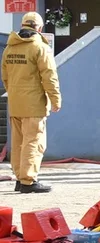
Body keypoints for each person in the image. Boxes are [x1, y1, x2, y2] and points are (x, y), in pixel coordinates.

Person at [1, 12, 60, 193]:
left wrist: (14, 93)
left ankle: (20, 178)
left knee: (18, 142)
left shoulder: (10, 48)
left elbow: (5, 77)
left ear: (23, 25)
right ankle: (28, 181)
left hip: (15, 103)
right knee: (34, 141)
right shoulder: (40, 47)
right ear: (39, 28)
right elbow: (49, 76)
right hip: (34, 104)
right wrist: (55, 99)